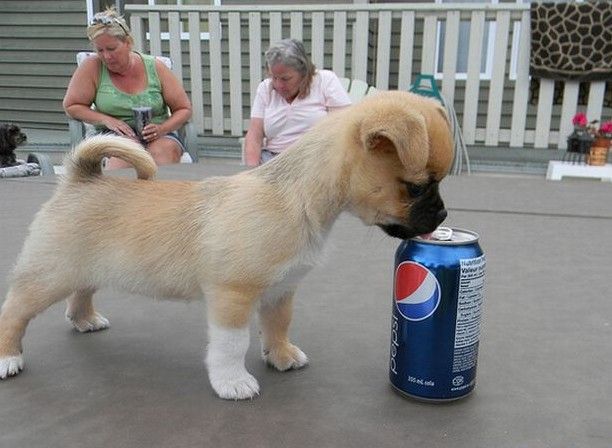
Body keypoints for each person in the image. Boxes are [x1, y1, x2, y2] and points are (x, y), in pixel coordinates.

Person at [63, 7, 192, 168]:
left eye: (111, 49)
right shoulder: (92, 67)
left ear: (128, 43)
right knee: (125, 156)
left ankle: (161, 193)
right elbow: (72, 106)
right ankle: (118, 192)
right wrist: (107, 120)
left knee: (164, 152)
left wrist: (161, 129)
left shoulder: (156, 67)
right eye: (100, 50)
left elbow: (184, 109)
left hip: (157, 134)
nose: (106, 56)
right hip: (114, 135)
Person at [244, 39, 351, 167]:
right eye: (274, 77)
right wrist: (251, 171)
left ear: (304, 73)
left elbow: (344, 128)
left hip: (313, 162)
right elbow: (254, 135)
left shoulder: (325, 81)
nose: (279, 85)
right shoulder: (265, 89)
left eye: (285, 79)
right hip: (272, 162)